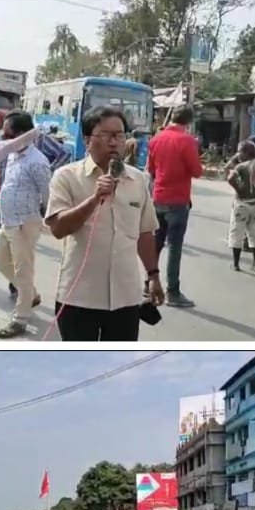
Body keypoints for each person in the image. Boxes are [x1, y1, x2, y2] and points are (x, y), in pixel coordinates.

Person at [46, 106, 164, 341]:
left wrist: (153, 276)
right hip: (79, 297)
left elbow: (144, 233)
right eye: (106, 135)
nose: (114, 142)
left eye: (120, 135)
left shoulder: (138, 180)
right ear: (88, 140)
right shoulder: (66, 177)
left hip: (125, 298)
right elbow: (58, 228)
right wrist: (94, 200)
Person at [0, 110, 52, 339]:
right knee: (0, 262)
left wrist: (46, 220)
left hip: (24, 224)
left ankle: (20, 319)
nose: (5, 140)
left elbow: (48, 195)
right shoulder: (12, 155)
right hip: (8, 221)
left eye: (9, 135)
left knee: (23, 271)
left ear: (22, 135)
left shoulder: (37, 162)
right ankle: (31, 296)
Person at [146, 106, 203, 308]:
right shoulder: (187, 141)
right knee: (175, 247)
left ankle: (148, 283)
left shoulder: (156, 139)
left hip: (158, 197)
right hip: (178, 200)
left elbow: (150, 169)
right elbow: (196, 171)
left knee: (156, 243)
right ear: (188, 122)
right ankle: (173, 291)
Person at [223, 139, 255, 273]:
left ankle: (236, 264)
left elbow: (230, 178)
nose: (238, 155)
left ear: (245, 152)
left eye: (240, 152)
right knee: (254, 235)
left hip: (242, 204)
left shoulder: (241, 167)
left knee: (236, 233)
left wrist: (239, 190)